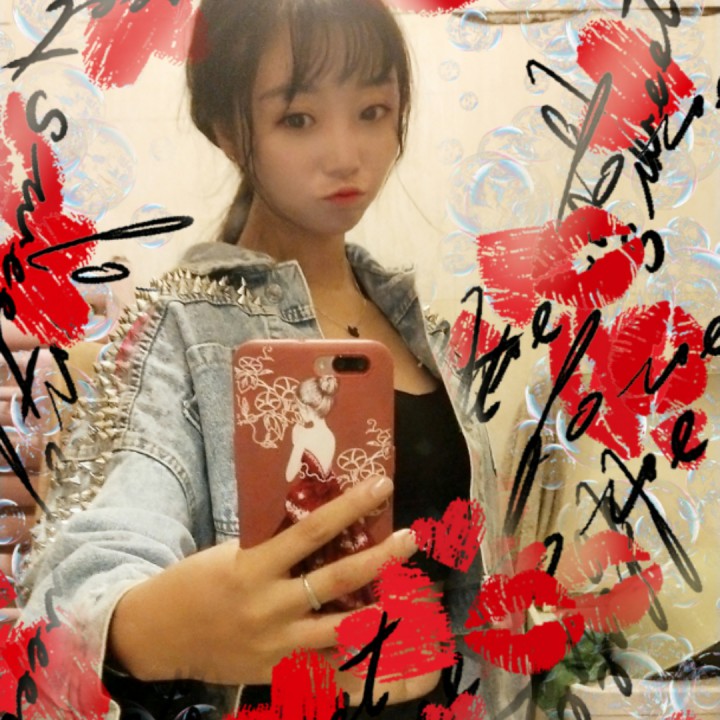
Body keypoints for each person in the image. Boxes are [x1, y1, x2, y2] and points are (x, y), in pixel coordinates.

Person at [19, 0, 508, 717]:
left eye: (372, 111)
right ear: (227, 129)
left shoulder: (427, 335)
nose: (346, 154)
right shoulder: (181, 328)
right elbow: (93, 560)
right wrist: (149, 629)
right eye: (298, 118)